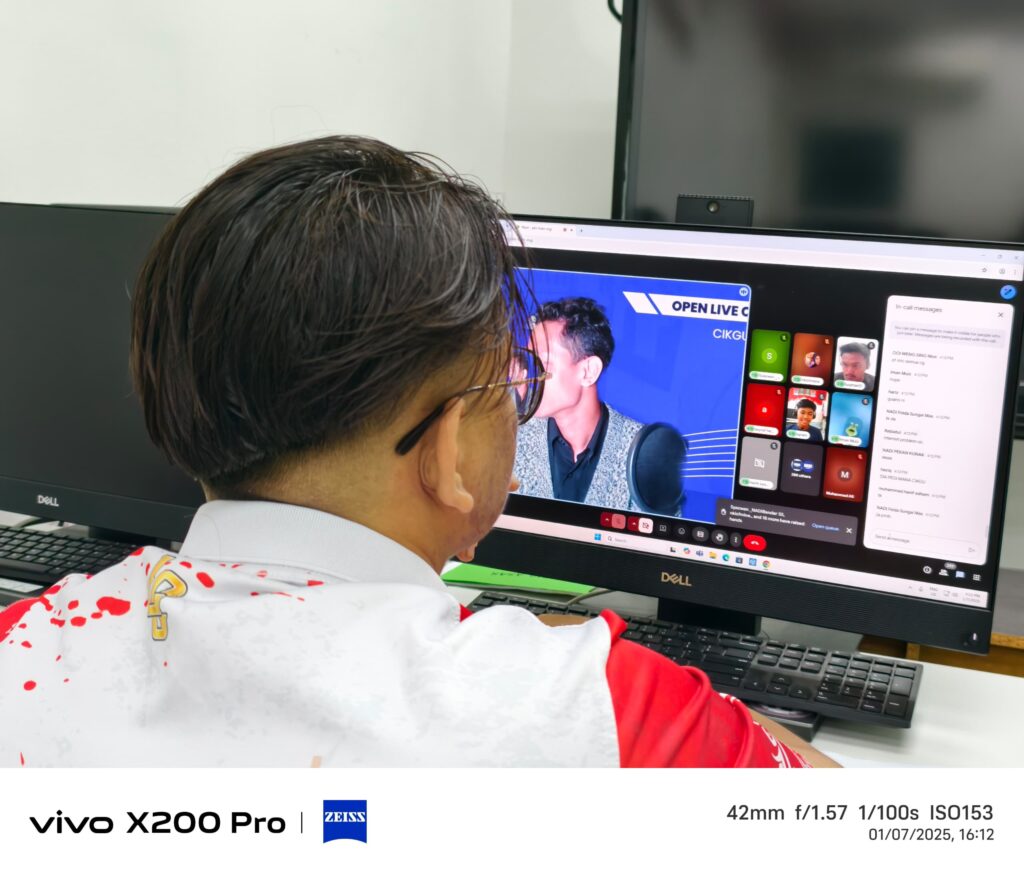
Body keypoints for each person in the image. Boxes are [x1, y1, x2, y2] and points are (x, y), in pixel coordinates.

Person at [0, 136, 833, 768]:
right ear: (445, 450)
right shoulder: (611, 711)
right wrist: (586, 659)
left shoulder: (25, 643)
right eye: (506, 388)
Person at [514, 297, 643, 508]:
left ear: (588, 372)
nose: (530, 376)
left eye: (543, 363)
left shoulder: (642, 453)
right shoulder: (512, 437)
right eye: (530, 360)